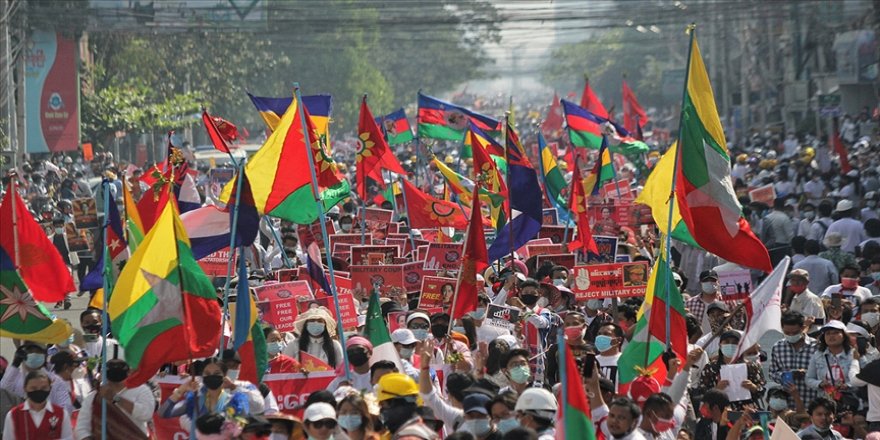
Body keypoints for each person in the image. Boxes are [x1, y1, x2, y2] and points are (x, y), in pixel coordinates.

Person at [159, 358, 260, 431]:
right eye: (207, 374)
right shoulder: (195, 402)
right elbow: (163, 413)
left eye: (216, 373)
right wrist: (181, 390)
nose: (212, 377)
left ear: (224, 376)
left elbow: (246, 425)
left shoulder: (234, 402)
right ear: (202, 377)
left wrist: (233, 387)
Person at [75, 359, 156, 439]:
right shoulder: (94, 396)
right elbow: (81, 428)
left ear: (129, 372)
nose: (115, 370)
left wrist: (115, 398)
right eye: (112, 367)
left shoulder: (141, 390)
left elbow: (146, 414)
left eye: (119, 367)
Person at [697, 331, 765, 409]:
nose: (730, 345)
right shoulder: (711, 368)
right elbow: (702, 392)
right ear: (720, 345)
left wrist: (753, 387)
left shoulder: (751, 367)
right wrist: (716, 389)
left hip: (747, 411)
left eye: (735, 342)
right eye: (727, 342)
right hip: (720, 411)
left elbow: (761, 390)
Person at [1, 343, 74, 413]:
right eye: (30, 352)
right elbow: (3, 391)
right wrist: (15, 365)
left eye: (38, 352)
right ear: (24, 356)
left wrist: (52, 418)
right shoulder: (16, 378)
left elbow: (66, 406)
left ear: (44, 356)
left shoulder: (55, 380)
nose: (34, 355)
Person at [2, 370, 73, 439]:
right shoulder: (13, 415)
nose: (39, 391)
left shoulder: (62, 414)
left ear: (50, 388)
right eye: (33, 388)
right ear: (25, 388)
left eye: (43, 388)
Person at [769, 311, 818, 407]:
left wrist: (807, 373)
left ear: (803, 328)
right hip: (787, 403)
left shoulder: (816, 346)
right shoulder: (778, 347)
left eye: (795, 333)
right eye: (787, 333)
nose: (791, 335)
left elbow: (823, 373)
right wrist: (787, 375)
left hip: (812, 400)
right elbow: (772, 373)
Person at [806, 321, 861, 394]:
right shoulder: (818, 355)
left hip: (850, 398)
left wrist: (847, 385)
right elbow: (809, 379)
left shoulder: (855, 354)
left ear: (844, 336)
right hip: (825, 398)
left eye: (836, 333)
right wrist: (820, 383)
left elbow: (863, 378)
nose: (831, 336)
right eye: (828, 333)